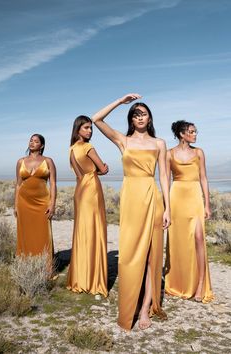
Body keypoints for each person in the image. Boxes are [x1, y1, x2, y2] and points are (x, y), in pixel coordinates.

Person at [92, 93, 170, 331]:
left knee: (150, 255)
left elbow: (164, 176)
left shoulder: (159, 143)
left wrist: (168, 207)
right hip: (130, 198)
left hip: (151, 196)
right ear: (131, 118)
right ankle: (130, 302)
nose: (140, 117)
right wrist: (119, 101)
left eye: (143, 113)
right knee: (129, 253)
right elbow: (97, 119)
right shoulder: (123, 140)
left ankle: (145, 307)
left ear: (150, 118)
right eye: (136, 114)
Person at [165, 120, 214, 303]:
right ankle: (180, 282)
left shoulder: (199, 153)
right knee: (178, 242)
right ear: (182, 134)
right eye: (192, 132)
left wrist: (207, 204)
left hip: (194, 197)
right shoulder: (169, 154)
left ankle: (200, 285)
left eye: (195, 131)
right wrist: (166, 207)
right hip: (176, 198)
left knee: (199, 238)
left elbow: (203, 178)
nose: (195, 135)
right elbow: (166, 180)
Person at [67, 115, 108, 298]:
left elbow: (78, 174)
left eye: (91, 128)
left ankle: (80, 277)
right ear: (78, 130)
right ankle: (93, 279)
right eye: (86, 128)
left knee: (82, 230)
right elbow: (103, 169)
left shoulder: (71, 150)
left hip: (80, 190)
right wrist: (101, 169)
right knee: (95, 229)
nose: (90, 131)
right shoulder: (88, 147)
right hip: (91, 187)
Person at [14, 134, 56, 265]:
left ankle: (45, 267)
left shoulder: (48, 161)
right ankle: (26, 264)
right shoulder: (21, 161)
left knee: (43, 234)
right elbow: (18, 184)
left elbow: (53, 184)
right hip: (23, 203)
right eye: (31, 140)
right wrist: (15, 205)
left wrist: (52, 204)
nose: (32, 143)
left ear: (41, 145)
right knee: (25, 234)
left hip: (42, 202)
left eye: (36, 141)